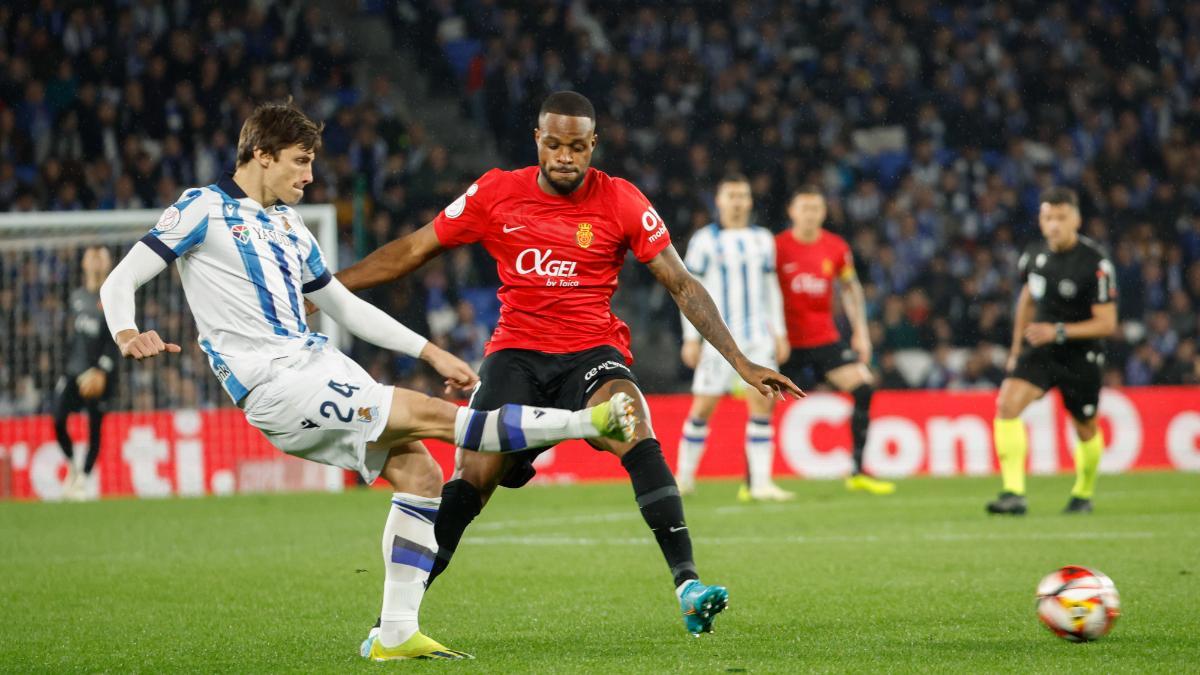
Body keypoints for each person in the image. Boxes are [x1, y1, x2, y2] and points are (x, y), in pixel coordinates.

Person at [97, 101, 639, 661]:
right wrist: (126, 332)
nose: (309, 176)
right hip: (274, 385)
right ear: (260, 155)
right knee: (437, 418)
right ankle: (584, 422)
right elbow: (121, 280)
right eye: (300, 162)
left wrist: (429, 351)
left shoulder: (289, 223)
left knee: (422, 475)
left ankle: (396, 633)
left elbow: (344, 307)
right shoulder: (201, 210)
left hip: (316, 364)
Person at [333, 91, 803, 637]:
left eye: (576, 147)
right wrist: (330, 288)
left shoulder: (622, 200)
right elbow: (412, 251)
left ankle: (688, 585)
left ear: (593, 145)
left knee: (632, 420)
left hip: (591, 355)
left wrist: (741, 361)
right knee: (471, 481)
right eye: (553, 144)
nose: (564, 156)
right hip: (516, 358)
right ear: (537, 139)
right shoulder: (494, 193)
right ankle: (392, 624)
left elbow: (680, 282)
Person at [987, 187, 1118, 516]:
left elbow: (1106, 323)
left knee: (1085, 425)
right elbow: (1027, 300)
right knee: (1006, 404)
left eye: (1061, 217)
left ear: (1076, 219)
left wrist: (1059, 331)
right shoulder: (1033, 256)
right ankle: (1013, 492)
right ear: (1041, 221)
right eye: (1048, 218)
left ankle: (1082, 494)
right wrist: (1016, 349)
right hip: (1041, 349)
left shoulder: (1096, 263)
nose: (1054, 225)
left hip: (1080, 353)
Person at [674, 174, 793, 502]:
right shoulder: (703, 240)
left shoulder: (763, 239)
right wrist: (691, 338)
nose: (738, 201)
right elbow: (688, 293)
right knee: (702, 408)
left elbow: (772, 290)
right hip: (718, 341)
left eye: (743, 195)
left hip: (757, 339)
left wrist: (780, 333)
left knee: (763, 406)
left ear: (750, 201)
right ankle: (683, 479)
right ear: (719, 201)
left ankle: (761, 483)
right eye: (731, 196)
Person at [775, 186, 896, 495]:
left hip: (823, 339)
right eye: (805, 208)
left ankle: (856, 470)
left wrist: (861, 333)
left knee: (864, 387)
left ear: (823, 213)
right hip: (784, 342)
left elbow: (851, 288)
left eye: (816, 208)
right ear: (792, 211)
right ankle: (756, 478)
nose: (811, 214)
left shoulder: (835, 247)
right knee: (759, 403)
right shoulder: (776, 248)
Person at [53, 245, 120, 501]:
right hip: (74, 370)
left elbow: (117, 339)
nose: (95, 259)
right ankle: (72, 464)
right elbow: (69, 336)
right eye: (90, 256)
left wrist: (103, 371)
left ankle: (83, 479)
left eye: (100, 255)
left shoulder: (113, 296)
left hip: (100, 373)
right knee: (58, 419)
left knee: (95, 429)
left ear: (107, 263)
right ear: (83, 264)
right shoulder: (76, 297)